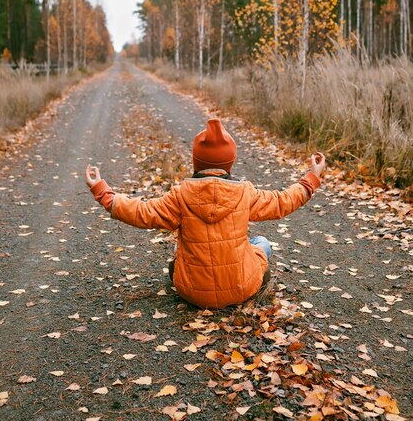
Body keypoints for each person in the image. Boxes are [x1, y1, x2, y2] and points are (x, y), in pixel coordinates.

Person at [86, 118, 325, 309]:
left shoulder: (180, 196)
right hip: (241, 286)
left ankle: (193, 278)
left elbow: (142, 212)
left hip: (193, 294)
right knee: (261, 243)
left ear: (196, 162)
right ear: (229, 164)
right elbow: (283, 201)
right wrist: (312, 177)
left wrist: (103, 192)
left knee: (180, 250)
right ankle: (253, 281)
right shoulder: (244, 193)